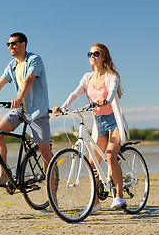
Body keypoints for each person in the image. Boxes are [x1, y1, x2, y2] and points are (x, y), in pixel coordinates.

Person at [53, 43, 130, 212]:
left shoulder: (112, 76)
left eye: (96, 53)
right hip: (99, 123)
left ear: (104, 56)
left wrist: (106, 101)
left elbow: (111, 93)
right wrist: (63, 107)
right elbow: (75, 93)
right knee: (92, 163)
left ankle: (119, 197)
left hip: (114, 121)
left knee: (110, 157)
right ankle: (95, 203)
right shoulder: (87, 77)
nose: (92, 56)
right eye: (89, 54)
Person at [0, 32, 52, 185]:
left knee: (45, 153)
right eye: (8, 44)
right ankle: (4, 175)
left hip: (37, 111)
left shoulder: (34, 60)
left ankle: (52, 195)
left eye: (14, 43)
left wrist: (19, 98)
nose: (10, 46)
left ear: (23, 44)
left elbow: (28, 80)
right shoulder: (12, 66)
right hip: (20, 110)